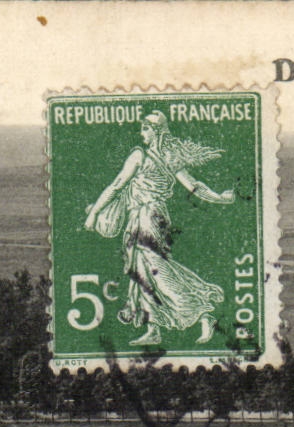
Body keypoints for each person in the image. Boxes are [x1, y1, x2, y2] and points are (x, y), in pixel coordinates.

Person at [83, 111, 234, 346]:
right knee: (142, 271)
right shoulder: (171, 157)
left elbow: (116, 186)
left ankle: (202, 314)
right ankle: (153, 328)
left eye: (145, 129)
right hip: (154, 216)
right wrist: (220, 198)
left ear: (155, 131)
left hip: (146, 217)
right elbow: (194, 187)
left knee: (156, 270)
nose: (141, 133)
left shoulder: (139, 156)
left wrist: (93, 214)